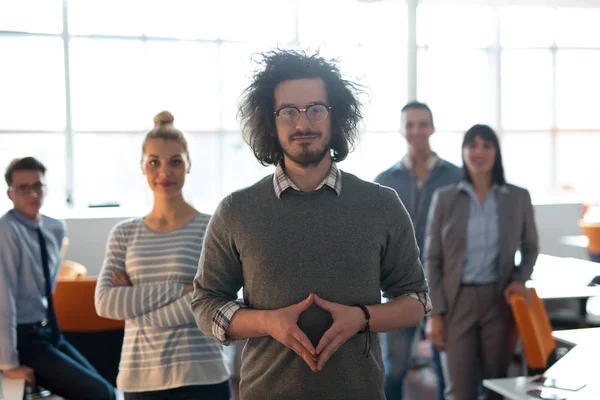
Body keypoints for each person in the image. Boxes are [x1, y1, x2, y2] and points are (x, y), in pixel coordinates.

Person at [191, 49, 431, 400]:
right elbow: (205, 303)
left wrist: (362, 318)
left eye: (316, 109)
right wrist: (267, 322)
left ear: (335, 118)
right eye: (288, 111)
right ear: (270, 122)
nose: (303, 124)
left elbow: (416, 300)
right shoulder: (236, 210)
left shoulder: (381, 204)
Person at [95, 112, 230, 399]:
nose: (164, 173)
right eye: (154, 162)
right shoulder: (124, 233)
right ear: (142, 166)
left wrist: (135, 307)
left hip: (202, 374)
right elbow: (105, 302)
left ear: (189, 164)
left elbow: (211, 303)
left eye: (175, 162)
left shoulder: (212, 227)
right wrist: (180, 290)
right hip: (139, 378)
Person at [424, 124, 539, 400]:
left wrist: (519, 279)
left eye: (486, 145)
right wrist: (435, 314)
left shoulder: (518, 197)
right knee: (459, 390)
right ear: (463, 151)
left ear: (496, 152)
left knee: (496, 387)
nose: (479, 152)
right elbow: (431, 258)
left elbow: (531, 247)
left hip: (498, 301)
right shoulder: (445, 198)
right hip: (456, 301)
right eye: (472, 145)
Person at [0, 157, 116, 400]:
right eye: (23, 187)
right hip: (24, 338)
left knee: (107, 387)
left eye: (38, 185)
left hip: (50, 329)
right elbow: (4, 300)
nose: (33, 193)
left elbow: (48, 286)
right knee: (101, 394)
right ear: (10, 194)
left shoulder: (54, 227)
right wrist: (9, 364)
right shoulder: (7, 230)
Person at [375, 101, 460, 400]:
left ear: (432, 128)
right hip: (399, 288)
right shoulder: (385, 182)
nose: (416, 131)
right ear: (401, 130)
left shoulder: (457, 177)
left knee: (446, 367)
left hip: (445, 286)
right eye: (409, 124)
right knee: (393, 368)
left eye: (422, 124)